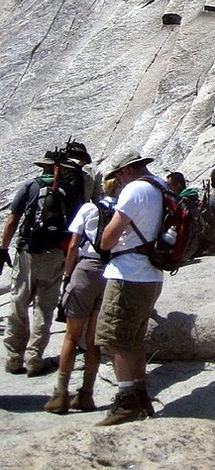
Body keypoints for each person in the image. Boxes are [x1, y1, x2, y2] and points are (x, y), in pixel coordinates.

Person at [94, 151, 165, 425]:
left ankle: (126, 403)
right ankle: (139, 392)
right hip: (151, 273)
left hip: (128, 273)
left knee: (115, 338)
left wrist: (104, 238)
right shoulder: (158, 186)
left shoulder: (134, 190)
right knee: (134, 338)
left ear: (125, 172)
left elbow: (108, 238)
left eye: (119, 175)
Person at [2, 153, 84, 377]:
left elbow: (12, 219)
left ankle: (13, 358)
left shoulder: (30, 186)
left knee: (19, 303)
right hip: (56, 254)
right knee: (44, 309)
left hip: (28, 252)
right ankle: (34, 358)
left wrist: (3, 247)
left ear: (44, 168)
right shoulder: (70, 192)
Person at [43, 176, 118, 414]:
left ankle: (60, 395)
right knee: (93, 341)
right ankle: (86, 395)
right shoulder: (121, 210)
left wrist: (68, 275)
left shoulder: (88, 208)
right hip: (110, 273)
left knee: (71, 337)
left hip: (86, 270)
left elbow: (74, 244)